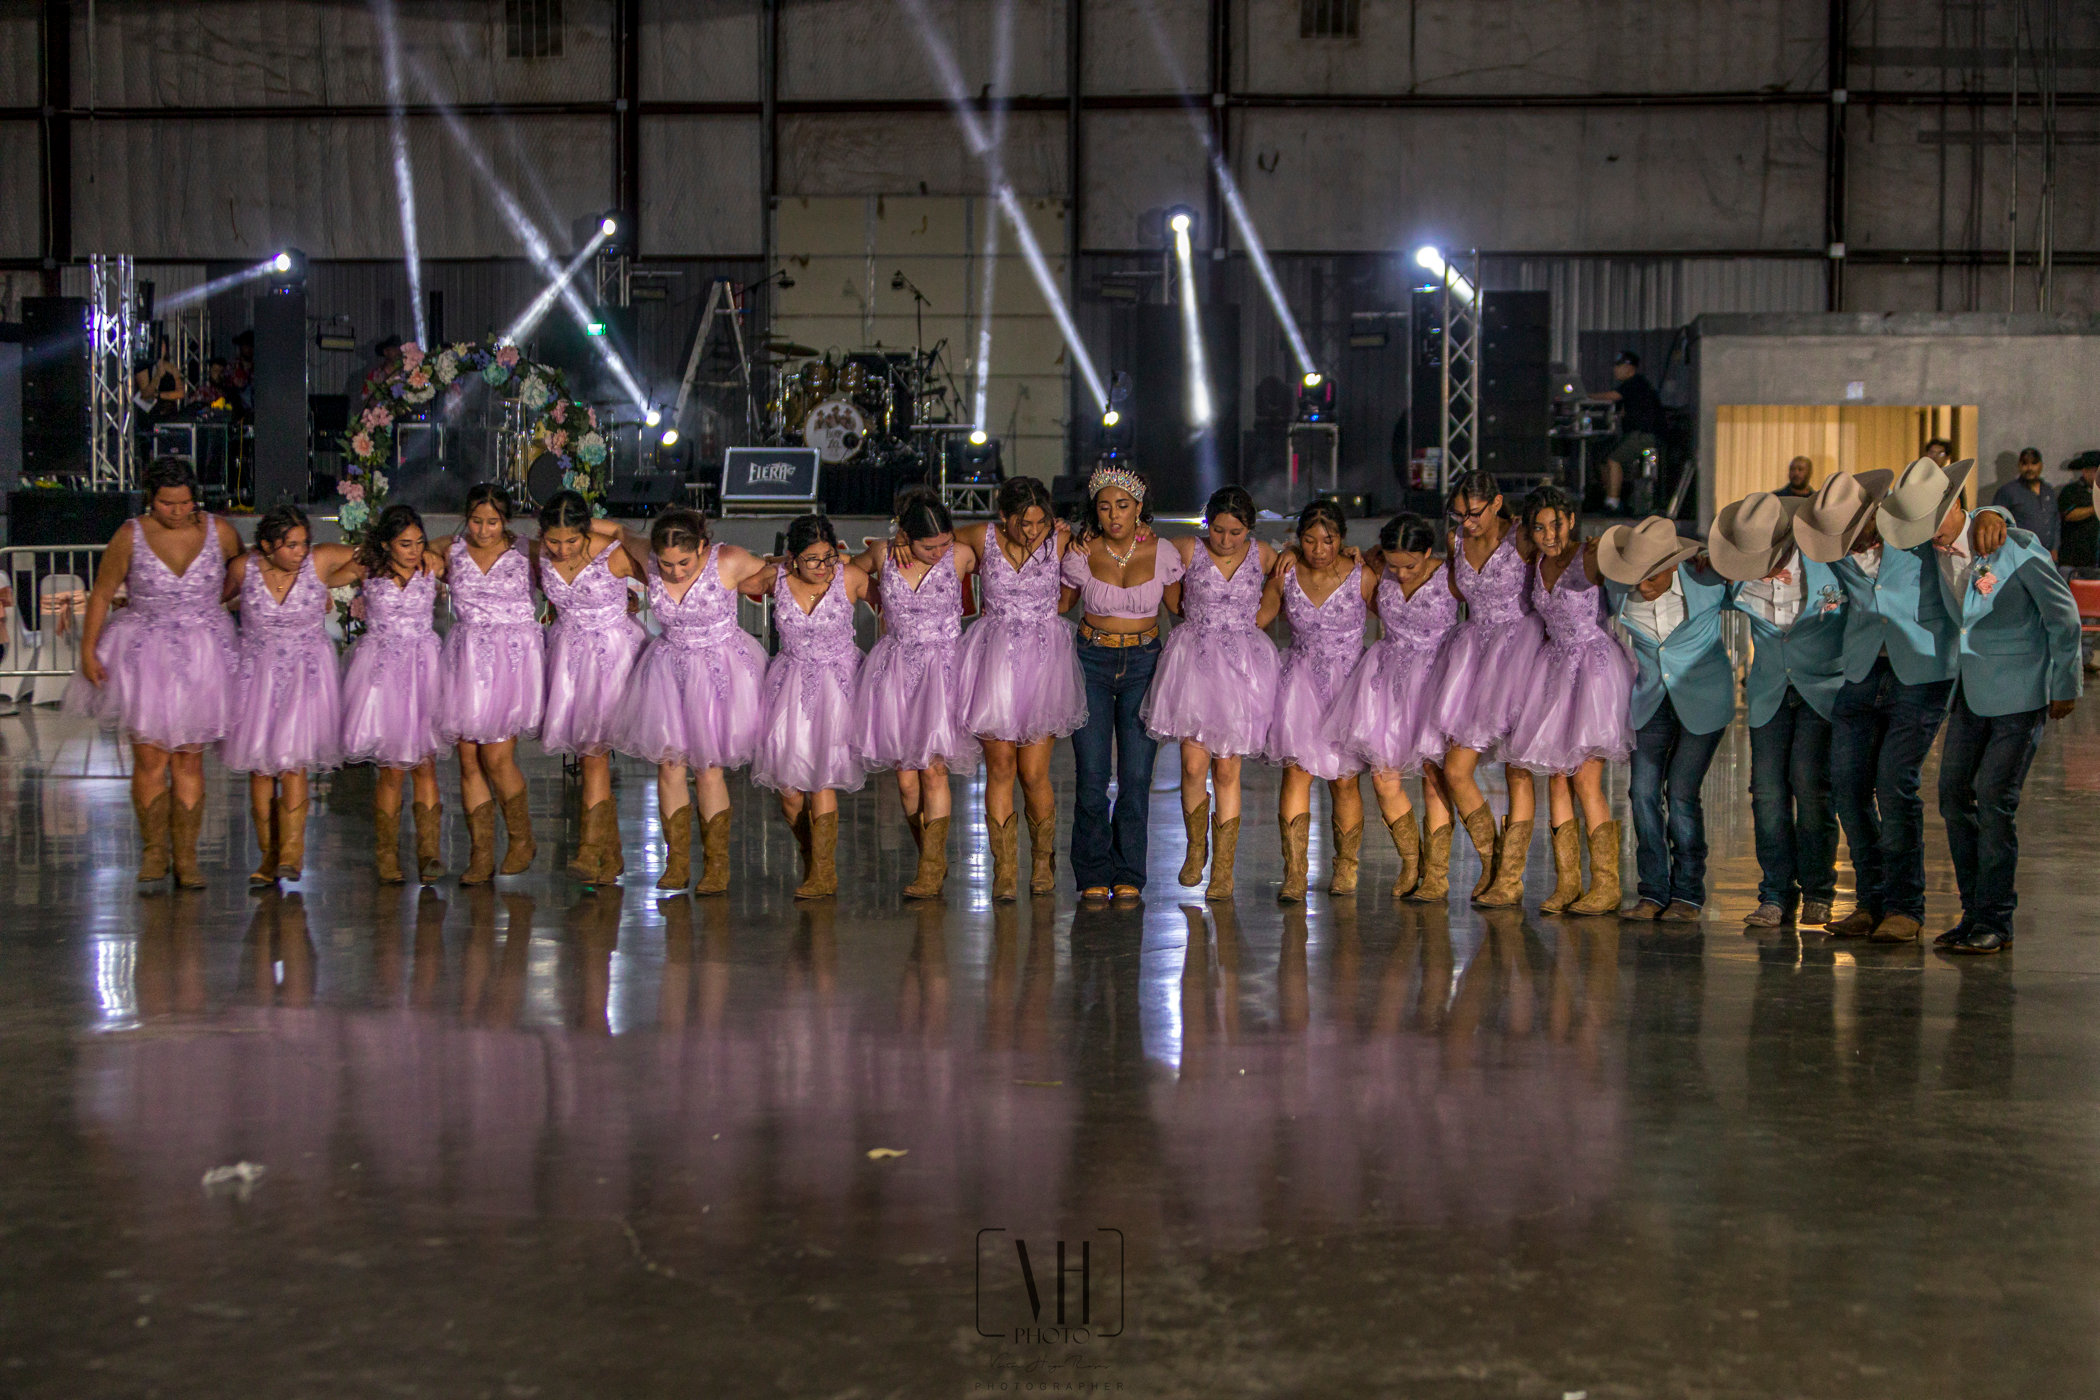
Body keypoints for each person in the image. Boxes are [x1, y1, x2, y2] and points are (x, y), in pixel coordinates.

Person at [1796, 459, 1962, 944]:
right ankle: (1870, 902)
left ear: (1874, 511)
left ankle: (1906, 907)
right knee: (1847, 787)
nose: (1856, 542)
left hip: (1922, 670)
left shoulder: (1913, 526)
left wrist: (1999, 516)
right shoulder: (1837, 552)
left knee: (1895, 784)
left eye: (1859, 529)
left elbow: (1963, 520)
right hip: (1864, 669)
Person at [63, 458, 244, 887]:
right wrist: (88, 651)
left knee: (189, 757)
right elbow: (103, 592)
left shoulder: (219, 530)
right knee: (149, 756)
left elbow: (242, 576)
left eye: (184, 503)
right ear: (150, 500)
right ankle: (153, 852)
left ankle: (186, 857)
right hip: (145, 653)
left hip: (204, 651)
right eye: (166, 504)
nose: (177, 511)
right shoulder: (130, 535)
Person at [1933, 500, 2082, 953]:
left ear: (1957, 508)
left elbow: (2064, 617)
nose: (1927, 533)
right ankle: (1973, 912)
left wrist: (2065, 683)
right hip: (1969, 692)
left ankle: (1996, 919)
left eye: (1932, 521)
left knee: (1996, 799)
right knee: (1954, 795)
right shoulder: (1933, 551)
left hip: (2021, 693)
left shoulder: (2014, 546)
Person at [1707, 491, 1848, 928]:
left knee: (1810, 786)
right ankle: (1775, 893)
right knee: (1766, 793)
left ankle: (1819, 890)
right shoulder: (1735, 577)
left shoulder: (1829, 563)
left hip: (1822, 688)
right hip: (1768, 691)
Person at [611, 510, 769, 893]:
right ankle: (677, 860)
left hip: (720, 671)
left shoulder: (728, 559)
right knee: (669, 765)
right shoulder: (648, 556)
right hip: (669, 672)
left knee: (709, 767)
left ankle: (716, 865)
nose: (676, 572)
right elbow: (616, 529)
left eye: (684, 562)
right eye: (666, 565)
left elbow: (779, 573)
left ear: (703, 547)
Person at [1144, 485, 1281, 901]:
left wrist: (1260, 616)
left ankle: (1224, 868)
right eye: (1218, 530)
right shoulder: (1187, 548)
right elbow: (1168, 588)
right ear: (1208, 525)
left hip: (1241, 665)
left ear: (1249, 529)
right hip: (1196, 660)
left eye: (1235, 532)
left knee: (1227, 768)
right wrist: (1187, 615)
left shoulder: (1263, 555)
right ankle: (1195, 848)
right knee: (1191, 764)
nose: (1225, 540)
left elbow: (1284, 579)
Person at [954, 477, 1086, 900]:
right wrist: (901, 536)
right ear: (1003, 517)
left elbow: (1070, 596)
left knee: (1033, 773)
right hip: (994, 660)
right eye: (1022, 523)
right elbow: (933, 540)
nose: (1031, 531)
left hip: (1044, 661)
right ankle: (1005, 869)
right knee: (1001, 769)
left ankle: (1043, 861)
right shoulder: (980, 537)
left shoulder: (1059, 538)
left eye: (1038, 522)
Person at [1504, 486, 1633, 916]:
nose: (1548, 534)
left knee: (1584, 779)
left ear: (1571, 520)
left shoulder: (1590, 555)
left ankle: (1606, 884)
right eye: (1538, 527)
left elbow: (1633, 558)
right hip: (1554, 667)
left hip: (1593, 668)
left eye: (1555, 524)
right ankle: (1567, 883)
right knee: (1556, 778)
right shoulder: (1535, 562)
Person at [1598, 515, 1732, 923]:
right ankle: (1653, 891)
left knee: (1681, 794)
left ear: (1674, 564)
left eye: (1652, 576)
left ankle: (1688, 894)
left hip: (1703, 700)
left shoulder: (1709, 582)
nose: (1642, 585)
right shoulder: (1619, 589)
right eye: (1636, 575)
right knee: (1641, 793)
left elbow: (1756, 583)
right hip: (1651, 699)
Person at [1422, 471, 1547, 908]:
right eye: (1458, 514)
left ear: (1495, 503)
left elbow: (1558, 561)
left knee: (1517, 768)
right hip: (1474, 653)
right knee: (1455, 768)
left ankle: (1511, 880)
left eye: (1472, 513)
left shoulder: (1522, 539)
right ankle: (1493, 864)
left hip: (1520, 650)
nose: (1466, 522)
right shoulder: (1457, 541)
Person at [1059, 465, 1181, 902]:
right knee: (1091, 775)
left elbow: (1182, 610)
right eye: (1105, 507)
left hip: (1144, 663)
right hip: (1090, 658)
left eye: (1123, 506)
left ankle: (1129, 869)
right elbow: (1057, 604)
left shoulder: (1164, 552)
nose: (1114, 515)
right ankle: (1092, 869)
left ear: (1139, 508)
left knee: (1135, 776)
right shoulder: (1079, 551)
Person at [1322, 512, 1458, 899]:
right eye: (1394, 564)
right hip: (1387, 681)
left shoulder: (1449, 576)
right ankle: (1411, 862)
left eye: (1410, 565)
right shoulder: (1377, 566)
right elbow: (1341, 561)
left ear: (1428, 552)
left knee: (1436, 779)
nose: (1400, 574)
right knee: (1384, 779)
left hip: (1435, 679)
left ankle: (1436, 874)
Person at [219, 505, 356, 886]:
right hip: (256, 678)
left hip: (304, 676)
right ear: (266, 545)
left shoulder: (318, 561)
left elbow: (369, 553)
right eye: (290, 545)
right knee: (261, 768)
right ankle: (267, 856)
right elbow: (212, 600)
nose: (300, 551)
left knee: (293, 763)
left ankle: (292, 855)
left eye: (304, 543)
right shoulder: (244, 569)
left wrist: (338, 576)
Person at [852, 487, 978, 901]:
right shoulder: (885, 555)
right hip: (896, 669)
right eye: (930, 545)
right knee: (906, 781)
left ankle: (930, 868)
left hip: (942, 670)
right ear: (906, 534)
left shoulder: (959, 555)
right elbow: (847, 576)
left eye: (945, 542)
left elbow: (1000, 538)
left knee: (933, 769)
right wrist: (879, 590)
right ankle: (929, 854)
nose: (940, 551)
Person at [749, 514, 870, 900]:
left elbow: (894, 597)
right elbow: (723, 581)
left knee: (822, 778)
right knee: (789, 793)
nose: (822, 568)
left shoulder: (848, 578)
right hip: (790, 686)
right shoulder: (775, 580)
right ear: (793, 558)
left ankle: (823, 871)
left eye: (828, 557)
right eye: (812, 560)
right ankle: (809, 853)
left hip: (838, 685)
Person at [434, 484, 545, 883]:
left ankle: (521, 838)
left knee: (496, 758)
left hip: (509, 659)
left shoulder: (526, 551)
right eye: (477, 521)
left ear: (506, 520)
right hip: (465, 657)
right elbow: (409, 554)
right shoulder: (450, 549)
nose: (483, 530)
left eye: (493, 522)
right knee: (467, 758)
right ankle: (480, 854)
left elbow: (569, 572)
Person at [535, 494, 646, 884]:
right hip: (568, 658)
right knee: (589, 755)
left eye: (572, 541)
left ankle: (588, 849)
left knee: (593, 753)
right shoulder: (539, 554)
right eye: (553, 542)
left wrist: (617, 530)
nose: (562, 550)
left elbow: (663, 574)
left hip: (611, 657)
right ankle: (608, 857)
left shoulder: (612, 554)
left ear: (587, 531)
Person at [1260, 500, 1368, 902]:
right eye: (1309, 540)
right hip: (1300, 684)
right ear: (1297, 539)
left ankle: (1346, 867)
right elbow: (1256, 620)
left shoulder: (1361, 574)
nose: (1319, 549)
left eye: (1329, 540)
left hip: (1347, 686)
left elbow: (1396, 608)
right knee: (1296, 774)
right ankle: (1294, 873)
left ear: (1342, 539)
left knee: (1344, 780)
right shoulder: (1286, 575)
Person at [339, 503, 447, 883]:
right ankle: (387, 855)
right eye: (404, 544)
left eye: (419, 542)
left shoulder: (430, 567)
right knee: (391, 769)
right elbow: (320, 571)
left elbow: (459, 548)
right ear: (386, 544)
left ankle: (429, 852)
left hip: (424, 669)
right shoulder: (366, 569)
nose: (414, 550)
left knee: (426, 763)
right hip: (382, 671)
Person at [1593, 350, 1665, 514]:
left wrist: (1584, 396)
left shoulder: (1635, 383)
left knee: (1613, 460)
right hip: (1634, 434)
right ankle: (1610, 497)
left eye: (1619, 366)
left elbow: (1612, 396)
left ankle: (1613, 503)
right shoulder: (1630, 386)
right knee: (1603, 460)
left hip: (1644, 434)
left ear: (1629, 368)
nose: (1615, 370)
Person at [1990, 448, 2059, 558]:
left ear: (2041, 465)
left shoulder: (2049, 491)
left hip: (2046, 554)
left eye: (2034, 463)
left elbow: (2055, 520)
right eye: (2025, 464)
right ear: (2019, 466)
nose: (2029, 468)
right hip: (2019, 554)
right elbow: (1995, 521)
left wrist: (2055, 548)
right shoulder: (2008, 491)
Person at [2058, 452, 2099, 572]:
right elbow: (2069, 515)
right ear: (2085, 471)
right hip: (2075, 561)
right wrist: (2095, 508)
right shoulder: (2071, 491)